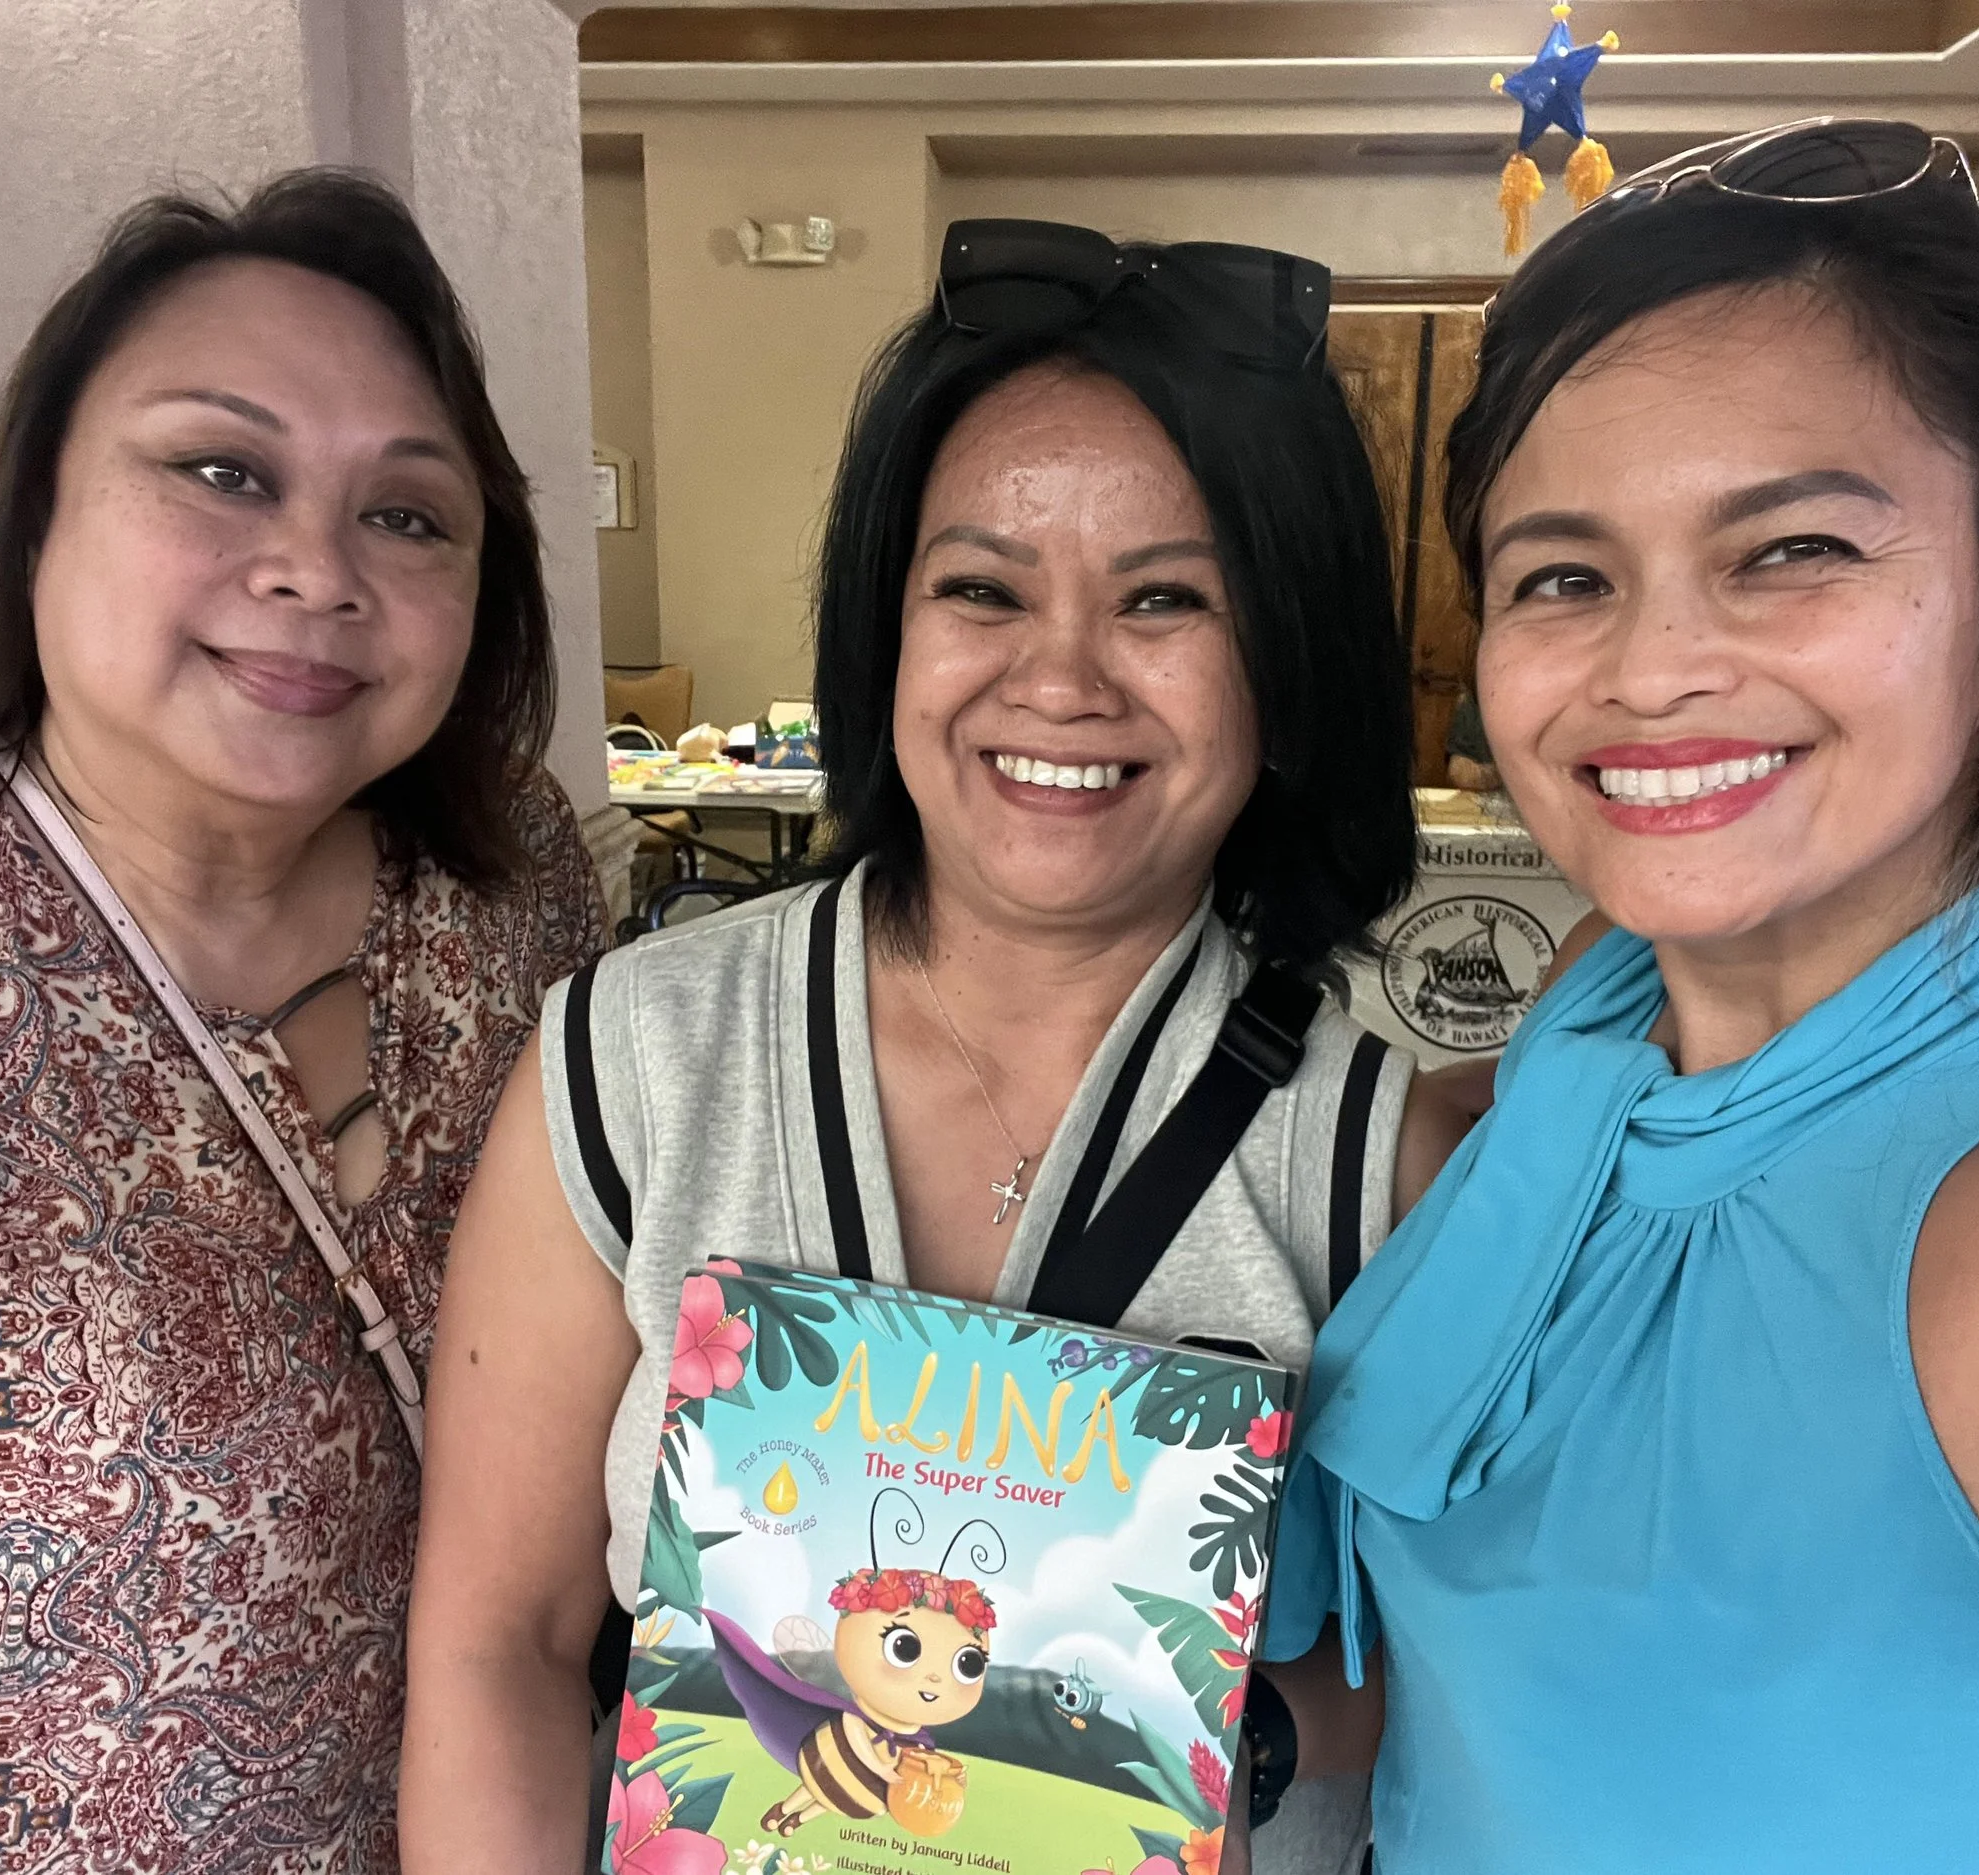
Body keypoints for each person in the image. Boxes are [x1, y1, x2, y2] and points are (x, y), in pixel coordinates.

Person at [398, 220, 1473, 1875]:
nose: (1059, 676)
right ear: (883, 631)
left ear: (1285, 668)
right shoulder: (639, 1066)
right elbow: (498, 1646)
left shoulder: (1376, 1165)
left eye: (1168, 599)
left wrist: (1219, 1732)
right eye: (981, 586)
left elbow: (1467, 1680)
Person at [1261, 119, 1979, 1871]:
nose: (1651, 669)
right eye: (1564, 575)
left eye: (1792, 549)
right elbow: (1464, 1645)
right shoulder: (1595, 1007)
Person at [0, 171, 606, 1872]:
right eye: (223, 471)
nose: (315, 568)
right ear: (39, 516)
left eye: (410, 514)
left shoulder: (517, 909)